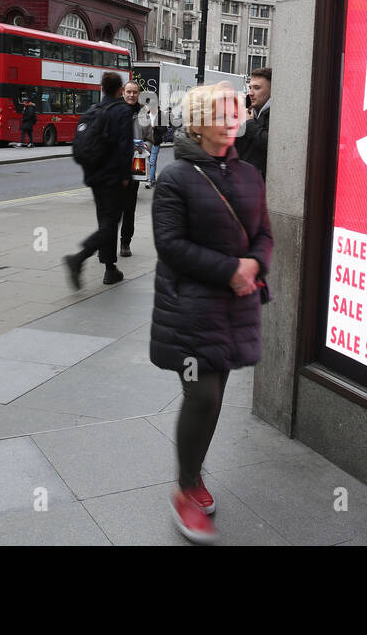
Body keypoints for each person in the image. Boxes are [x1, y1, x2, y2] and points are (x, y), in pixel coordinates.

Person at [150, 82, 272, 543]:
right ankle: (186, 488)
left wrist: (255, 263)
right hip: (189, 307)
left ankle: (194, 471)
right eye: (221, 114)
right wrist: (230, 270)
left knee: (215, 395)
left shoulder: (248, 175)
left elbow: (263, 231)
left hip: (233, 308)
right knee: (201, 395)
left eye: (235, 113)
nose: (231, 121)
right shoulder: (176, 178)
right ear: (199, 122)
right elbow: (171, 246)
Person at [63, 72, 134, 288]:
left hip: (95, 176)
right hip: (113, 177)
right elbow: (124, 147)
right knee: (110, 223)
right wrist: (124, 176)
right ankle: (78, 258)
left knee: (105, 220)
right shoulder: (122, 111)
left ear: (103, 88)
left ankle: (110, 269)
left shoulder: (93, 110)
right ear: (120, 89)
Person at [119, 80, 155, 257]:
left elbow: (150, 138)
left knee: (129, 207)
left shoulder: (143, 114)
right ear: (123, 93)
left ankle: (125, 242)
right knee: (112, 208)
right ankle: (107, 242)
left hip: (135, 166)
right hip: (115, 166)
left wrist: (144, 147)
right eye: (128, 92)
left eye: (134, 92)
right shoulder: (115, 112)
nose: (131, 95)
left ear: (138, 94)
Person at [235, 67, 272, 179]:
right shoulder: (248, 111)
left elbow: (272, 145)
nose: (250, 93)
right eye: (250, 87)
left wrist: (249, 124)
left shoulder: (278, 115)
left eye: (257, 88)